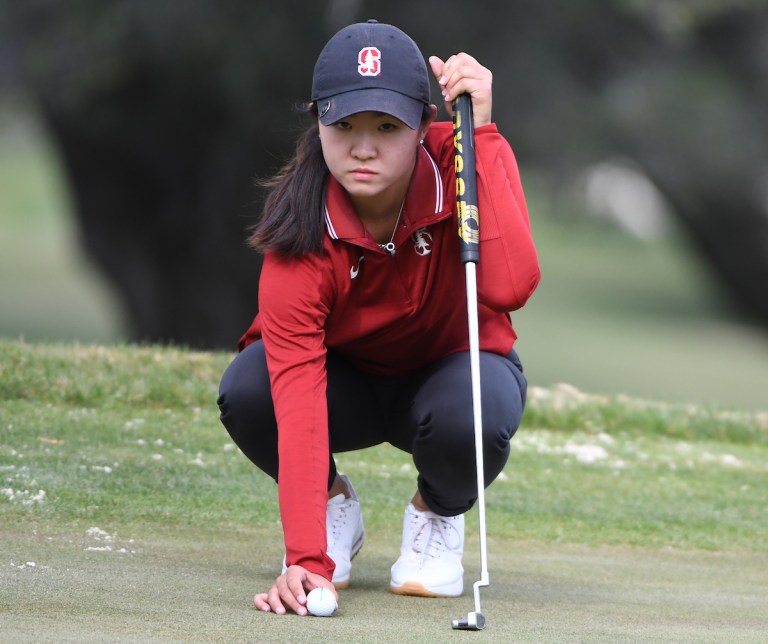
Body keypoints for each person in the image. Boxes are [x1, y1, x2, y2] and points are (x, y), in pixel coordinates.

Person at [217, 19, 540, 617]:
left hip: (452, 375)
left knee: (474, 410)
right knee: (248, 388)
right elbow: (296, 395)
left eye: (387, 127)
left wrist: (484, 134)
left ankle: (436, 513)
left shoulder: (459, 160)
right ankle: (334, 510)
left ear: (423, 125)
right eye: (344, 126)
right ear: (318, 124)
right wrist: (305, 559)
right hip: (349, 387)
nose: (363, 147)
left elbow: (511, 285)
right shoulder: (299, 231)